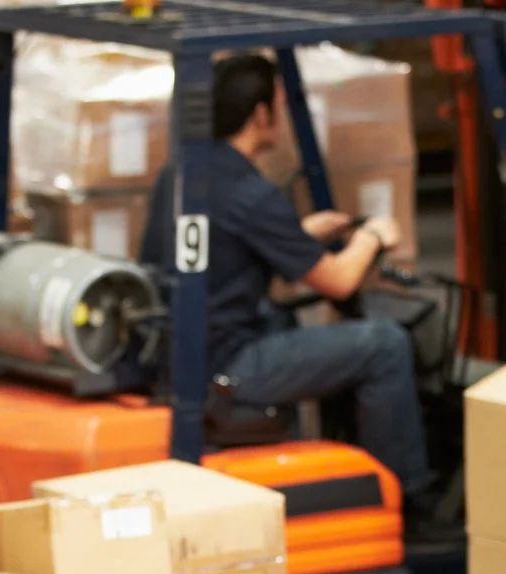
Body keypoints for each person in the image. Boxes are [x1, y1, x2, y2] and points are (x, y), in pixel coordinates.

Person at [140, 54, 439, 526]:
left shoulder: (181, 172)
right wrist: (374, 236)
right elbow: (340, 279)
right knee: (383, 345)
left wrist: (302, 234)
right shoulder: (253, 193)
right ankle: (412, 503)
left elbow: (226, 245)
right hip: (225, 370)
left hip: (180, 358)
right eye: (278, 103)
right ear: (261, 114)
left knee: (283, 318)